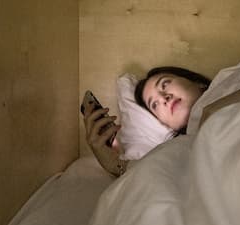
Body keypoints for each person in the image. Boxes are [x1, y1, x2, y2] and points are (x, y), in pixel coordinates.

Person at [84, 66, 215, 178]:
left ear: (197, 82)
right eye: (155, 105)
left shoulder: (227, 83)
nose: (163, 98)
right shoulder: (178, 152)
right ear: (168, 125)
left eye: (165, 84)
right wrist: (115, 165)